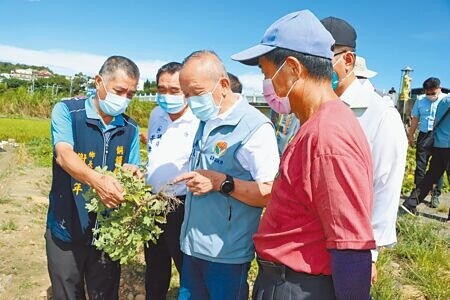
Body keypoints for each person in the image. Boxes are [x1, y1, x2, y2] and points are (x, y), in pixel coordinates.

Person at [232, 10, 375, 299]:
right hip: (287, 280)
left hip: (298, 287)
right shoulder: (316, 124)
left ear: (294, 68)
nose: (266, 82)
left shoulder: (329, 135)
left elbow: (351, 245)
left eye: (266, 71)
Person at [173, 50, 279, 299]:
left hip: (226, 254)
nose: (190, 102)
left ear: (223, 85)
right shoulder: (205, 119)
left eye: (196, 93)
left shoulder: (254, 128)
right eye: (185, 94)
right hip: (192, 246)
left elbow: (270, 192)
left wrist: (221, 182)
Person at [46, 55, 142, 299]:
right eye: (119, 90)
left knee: (105, 294)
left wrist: (133, 175)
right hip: (66, 225)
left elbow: (133, 167)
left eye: (130, 94)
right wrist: (97, 181)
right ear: (99, 81)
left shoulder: (130, 129)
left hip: (107, 233)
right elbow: (64, 155)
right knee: (67, 293)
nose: (124, 99)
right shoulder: (68, 111)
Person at [322, 16, 408, 282]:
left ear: (347, 61)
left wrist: (369, 255)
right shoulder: (317, 107)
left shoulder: (380, 115)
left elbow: (385, 186)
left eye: (322, 60)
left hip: (352, 246)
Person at [143, 62, 199, 300]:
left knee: (184, 263)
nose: (166, 96)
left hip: (181, 205)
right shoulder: (156, 114)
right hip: (152, 203)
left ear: (186, 91)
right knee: (154, 263)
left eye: (174, 90)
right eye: (161, 89)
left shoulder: (198, 121)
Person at [402, 96, 450, 215]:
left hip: (439, 144)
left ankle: (410, 204)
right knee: (432, 176)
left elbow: (436, 121)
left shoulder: (444, 101)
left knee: (430, 177)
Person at [406, 77, 447, 208]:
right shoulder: (420, 100)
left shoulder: (445, 100)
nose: (429, 96)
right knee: (420, 166)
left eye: (432, 93)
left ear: (439, 89)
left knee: (438, 167)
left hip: (440, 137)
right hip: (424, 135)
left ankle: (436, 195)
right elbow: (415, 119)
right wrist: (411, 135)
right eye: (427, 93)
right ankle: (418, 195)